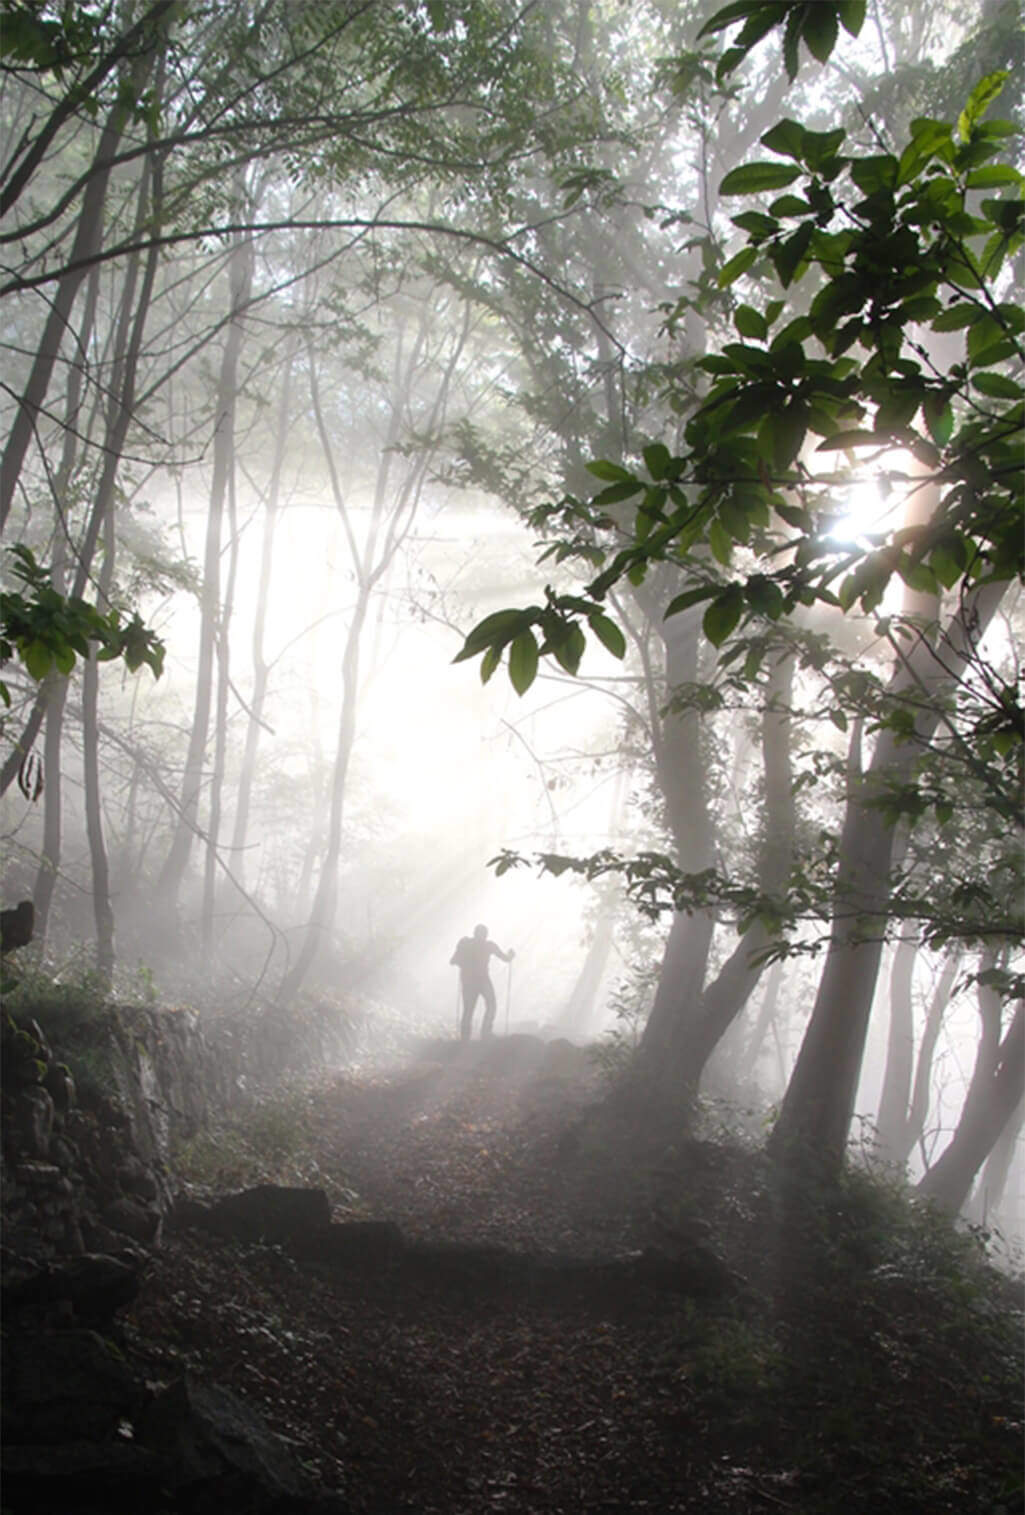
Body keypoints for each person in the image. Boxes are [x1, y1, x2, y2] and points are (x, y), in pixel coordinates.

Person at [450, 924, 514, 1042]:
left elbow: (453, 961)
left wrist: (463, 963)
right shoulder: (488, 945)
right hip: (482, 980)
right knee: (490, 1005)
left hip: (470, 980)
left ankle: (466, 1038)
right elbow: (505, 958)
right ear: (485, 935)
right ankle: (485, 1033)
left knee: (470, 1009)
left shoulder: (466, 944)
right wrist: (511, 955)